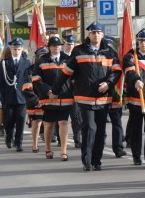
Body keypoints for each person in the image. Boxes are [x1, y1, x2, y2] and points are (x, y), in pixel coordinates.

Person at [51, 23, 122, 171]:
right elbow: (65, 73)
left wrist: (109, 84)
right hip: (85, 98)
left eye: (98, 32)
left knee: (101, 131)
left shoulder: (110, 52)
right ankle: (87, 160)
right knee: (89, 128)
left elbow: (116, 71)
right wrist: (55, 91)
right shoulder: (79, 51)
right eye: (93, 32)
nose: (96, 35)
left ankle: (97, 161)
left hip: (104, 99)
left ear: (102, 34)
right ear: (89, 35)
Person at [29, 37, 72, 160]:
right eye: (53, 45)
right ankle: (48, 148)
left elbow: (74, 77)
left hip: (65, 97)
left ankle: (64, 151)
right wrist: (49, 91)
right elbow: (36, 80)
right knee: (49, 124)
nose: (56, 47)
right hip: (49, 98)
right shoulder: (42, 61)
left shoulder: (68, 59)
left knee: (63, 122)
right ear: (49, 47)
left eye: (58, 45)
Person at [123, 29, 145, 167]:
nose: (143, 44)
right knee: (136, 130)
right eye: (141, 41)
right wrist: (136, 80)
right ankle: (137, 156)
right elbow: (129, 71)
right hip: (136, 98)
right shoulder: (130, 56)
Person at [0, 38, 30, 152]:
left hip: (22, 96)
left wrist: (31, 95)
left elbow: (29, 79)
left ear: (22, 49)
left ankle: (19, 143)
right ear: (11, 49)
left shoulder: (26, 62)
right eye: (14, 49)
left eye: (19, 49)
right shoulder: (4, 62)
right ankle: (9, 136)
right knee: (8, 120)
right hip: (8, 96)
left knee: (20, 120)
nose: (16, 51)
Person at [23, 47, 48, 153]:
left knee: (48, 123)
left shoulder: (50, 68)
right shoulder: (29, 70)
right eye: (41, 56)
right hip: (35, 100)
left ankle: (48, 147)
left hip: (48, 99)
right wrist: (37, 100)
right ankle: (35, 144)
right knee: (37, 122)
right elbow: (27, 88)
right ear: (37, 57)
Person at [62, 34, 82, 148]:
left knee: (76, 117)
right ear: (64, 44)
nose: (70, 46)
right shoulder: (61, 57)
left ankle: (77, 139)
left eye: (72, 44)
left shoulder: (77, 57)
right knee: (61, 118)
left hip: (74, 91)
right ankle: (60, 138)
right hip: (63, 91)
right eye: (68, 44)